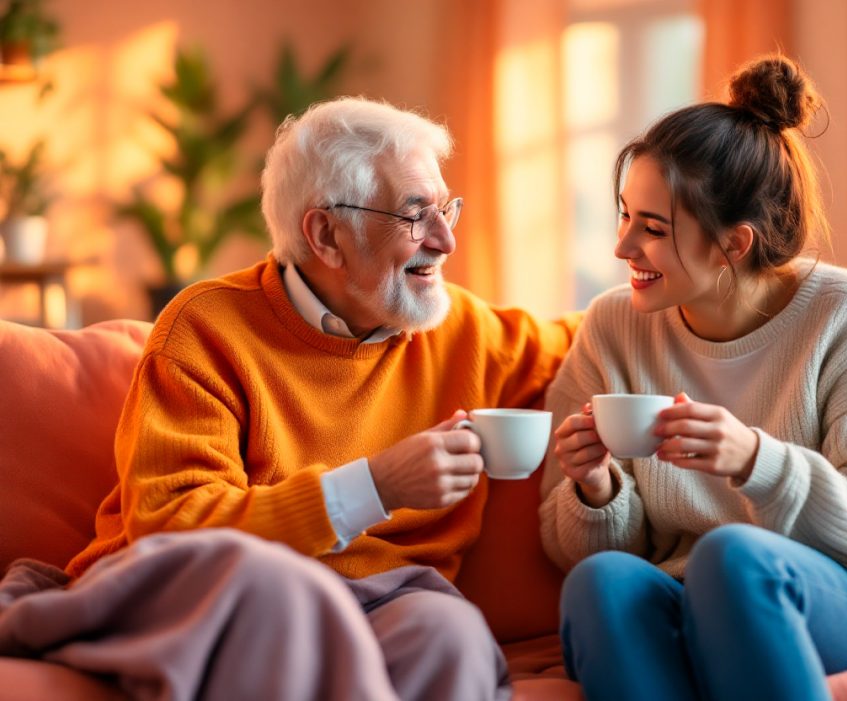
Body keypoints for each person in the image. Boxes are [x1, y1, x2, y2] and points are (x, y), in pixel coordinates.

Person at [0, 97, 576, 701]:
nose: (447, 239)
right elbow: (173, 524)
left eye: (446, 208)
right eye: (416, 214)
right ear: (326, 235)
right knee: (280, 595)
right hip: (215, 586)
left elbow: (598, 329)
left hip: (385, 596)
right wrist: (374, 486)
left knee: (449, 630)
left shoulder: (462, 331)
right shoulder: (206, 328)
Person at [538, 55, 847, 701]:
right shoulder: (613, 324)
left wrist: (757, 462)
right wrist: (597, 489)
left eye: (653, 228)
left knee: (733, 556)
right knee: (601, 581)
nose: (623, 247)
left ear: (734, 245)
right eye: (625, 215)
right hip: (690, 602)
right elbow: (570, 545)